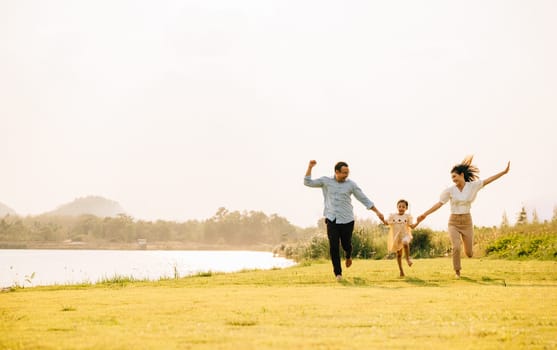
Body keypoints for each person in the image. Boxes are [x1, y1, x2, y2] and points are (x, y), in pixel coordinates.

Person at [415, 156, 510, 278]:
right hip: (453, 222)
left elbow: (489, 180)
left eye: (454, 176)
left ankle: (466, 255)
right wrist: (425, 214)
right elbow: (439, 204)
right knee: (456, 246)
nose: (453, 179)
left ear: (461, 175)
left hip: (467, 221)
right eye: (451, 178)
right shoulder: (449, 191)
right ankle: (457, 272)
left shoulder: (473, 186)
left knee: (469, 253)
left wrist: (504, 172)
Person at [304, 160, 385, 281]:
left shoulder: (351, 184)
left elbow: (363, 198)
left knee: (346, 244)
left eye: (347, 173)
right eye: (344, 173)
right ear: (336, 172)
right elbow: (308, 182)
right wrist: (310, 167)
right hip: (331, 219)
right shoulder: (326, 181)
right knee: (334, 246)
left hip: (347, 219)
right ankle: (338, 273)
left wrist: (377, 211)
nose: (346, 175)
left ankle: (348, 255)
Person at [385, 199, 415, 277]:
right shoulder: (393, 216)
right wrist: (381, 218)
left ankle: (408, 259)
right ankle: (401, 271)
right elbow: (386, 223)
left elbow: (412, 226)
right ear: (397, 207)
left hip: (405, 235)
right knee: (398, 254)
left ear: (406, 208)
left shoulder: (408, 216)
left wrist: (419, 221)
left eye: (403, 207)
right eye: (400, 206)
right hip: (396, 237)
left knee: (405, 242)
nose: (401, 208)